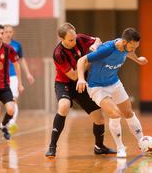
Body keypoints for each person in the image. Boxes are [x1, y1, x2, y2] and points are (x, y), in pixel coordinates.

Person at [76, 27, 152, 158]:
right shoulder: (107, 49)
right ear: (125, 42)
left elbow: (128, 53)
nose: (134, 49)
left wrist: (138, 60)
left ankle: (144, 144)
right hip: (97, 87)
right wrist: (81, 78)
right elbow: (82, 60)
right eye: (133, 46)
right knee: (114, 114)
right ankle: (120, 147)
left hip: (114, 83)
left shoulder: (126, 48)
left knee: (128, 113)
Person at [45, 23, 116, 158]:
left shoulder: (80, 38)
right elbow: (73, 75)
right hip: (65, 84)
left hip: (82, 84)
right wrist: (90, 61)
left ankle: (99, 147)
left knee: (99, 118)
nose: (74, 41)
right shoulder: (58, 54)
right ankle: (52, 146)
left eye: (74, 38)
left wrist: (95, 47)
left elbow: (97, 40)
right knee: (64, 106)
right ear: (62, 39)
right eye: (70, 40)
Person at [3, 25, 35, 134]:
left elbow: (22, 60)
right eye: (6, 31)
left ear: (13, 32)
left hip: (13, 76)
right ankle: (1, 123)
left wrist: (28, 74)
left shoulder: (17, 45)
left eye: (10, 31)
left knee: (13, 99)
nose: (8, 33)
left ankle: (11, 122)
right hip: (1, 77)